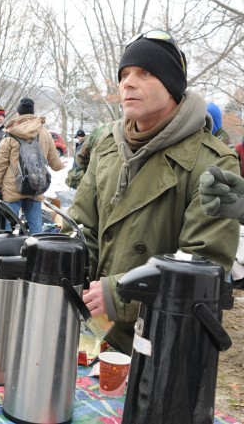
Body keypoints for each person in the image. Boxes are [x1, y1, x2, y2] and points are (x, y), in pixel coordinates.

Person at [64, 29, 239, 355]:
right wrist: (61, 268)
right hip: (97, 331)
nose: (128, 83)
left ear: (172, 86)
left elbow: (206, 264)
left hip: (166, 340)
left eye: (145, 73)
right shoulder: (107, 146)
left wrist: (120, 294)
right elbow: (82, 227)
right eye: (125, 74)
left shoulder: (218, 162)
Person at [0, 97, 64, 233]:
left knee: (9, 228)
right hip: (35, 185)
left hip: (12, 188)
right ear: (32, 113)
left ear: (19, 114)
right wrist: (61, 166)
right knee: (36, 226)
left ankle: (7, 253)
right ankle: (35, 252)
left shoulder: (11, 134)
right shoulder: (45, 133)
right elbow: (54, 162)